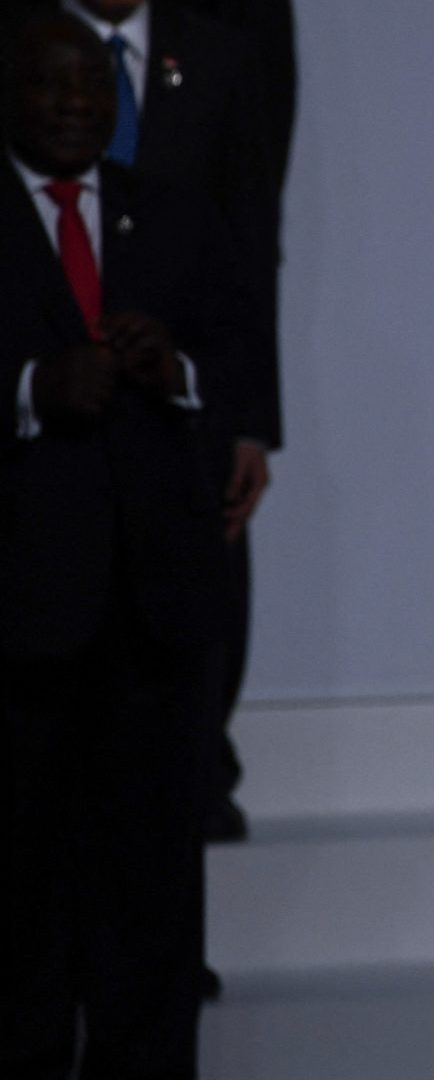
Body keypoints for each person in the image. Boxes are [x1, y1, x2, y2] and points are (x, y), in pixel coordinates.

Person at [0, 11, 257, 1078]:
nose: (75, 104)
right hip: (18, 623)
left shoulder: (173, 212)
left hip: (153, 620)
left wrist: (176, 372)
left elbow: (234, 351)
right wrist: (28, 388)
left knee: (152, 894)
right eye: (53, 85)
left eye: (93, 88)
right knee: (18, 891)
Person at [57, 0, 285, 842]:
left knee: (186, 628)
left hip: (183, 406)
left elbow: (252, 237)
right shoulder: (25, 42)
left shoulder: (220, 51)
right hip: (49, 411)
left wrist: (254, 418)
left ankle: (199, 786)